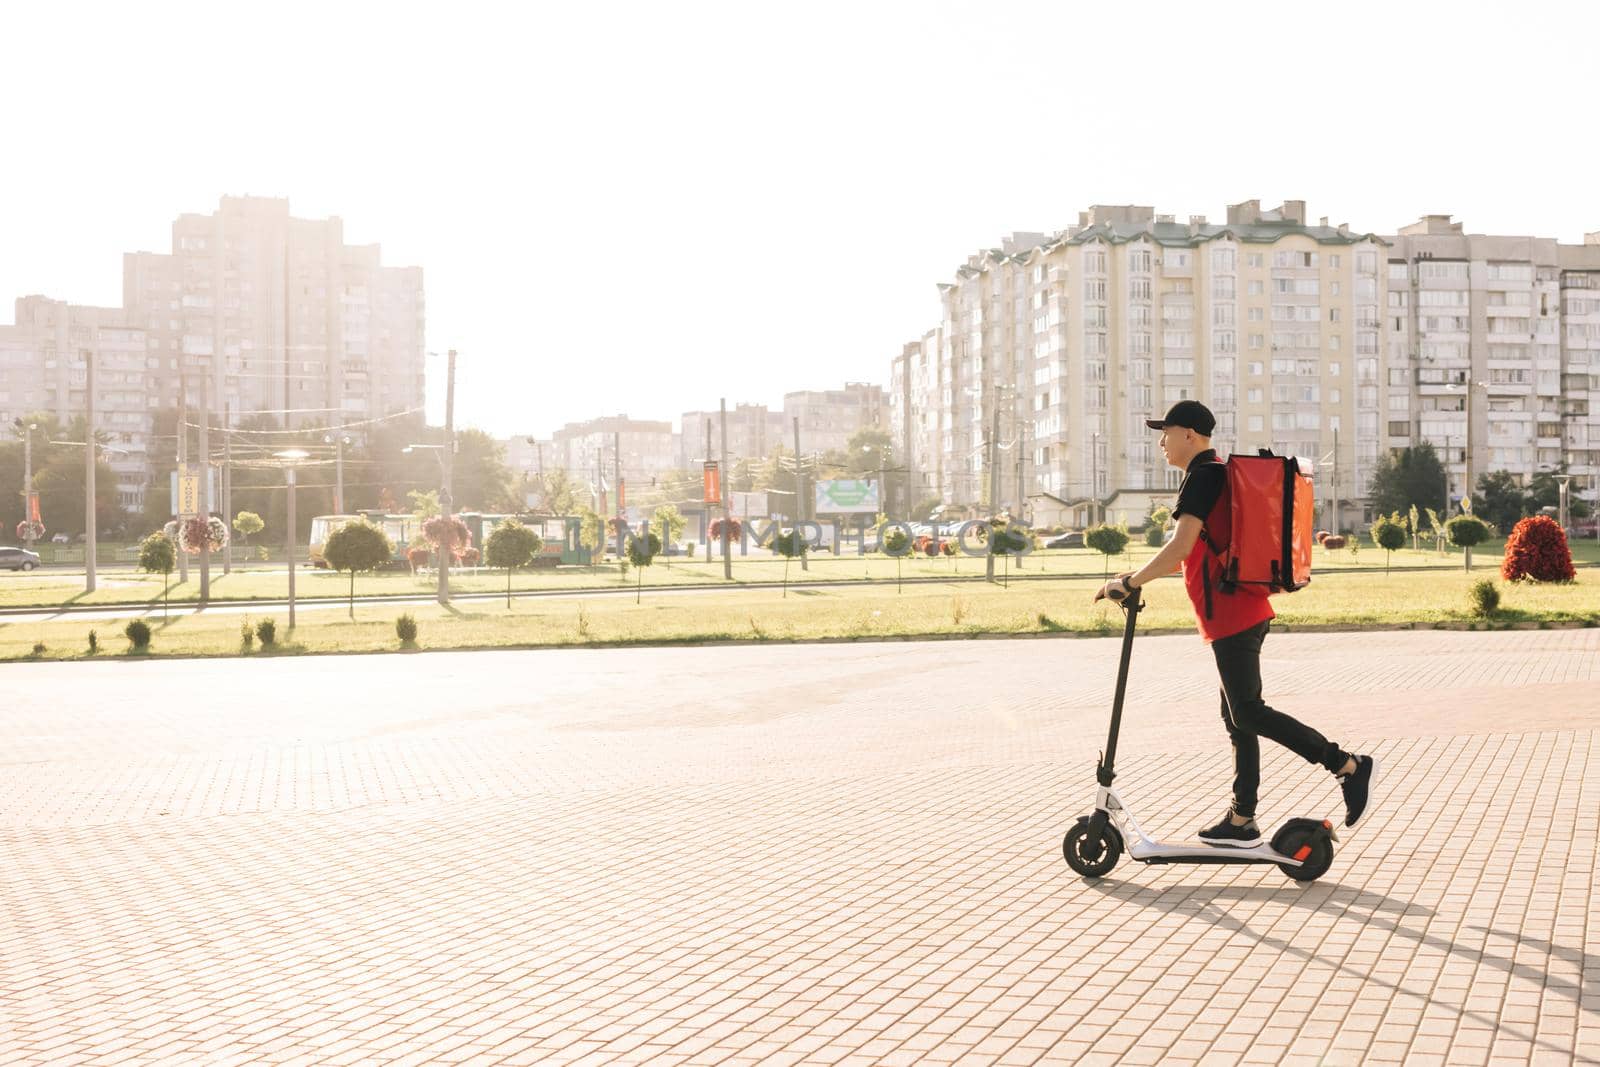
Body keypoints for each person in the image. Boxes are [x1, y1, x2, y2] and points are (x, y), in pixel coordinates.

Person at [1093, 401, 1376, 846]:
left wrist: (1128, 580)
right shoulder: (1213, 472)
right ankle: (1242, 820)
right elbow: (1191, 550)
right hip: (1235, 610)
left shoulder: (1204, 476)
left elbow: (1180, 547)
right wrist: (1133, 579)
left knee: (1247, 712)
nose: (1161, 442)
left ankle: (1346, 765)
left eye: (1166, 432)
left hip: (1233, 613)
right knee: (1238, 716)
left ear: (1190, 434)